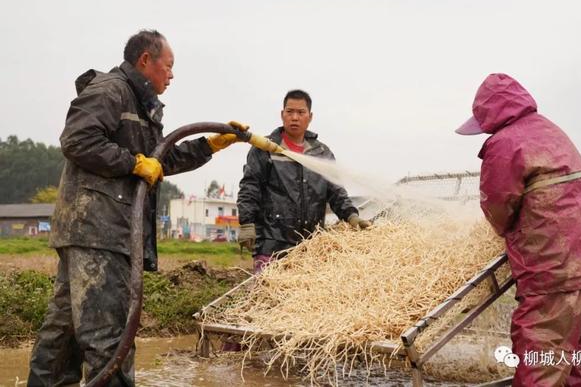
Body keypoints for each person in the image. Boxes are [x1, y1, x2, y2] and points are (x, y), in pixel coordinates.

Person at [28, 29, 247, 386]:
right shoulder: (110, 90)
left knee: (63, 334)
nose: (172, 75)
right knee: (110, 337)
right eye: (169, 66)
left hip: (93, 231)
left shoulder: (138, 105)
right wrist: (131, 163)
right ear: (146, 60)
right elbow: (77, 140)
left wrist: (211, 145)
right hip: (100, 230)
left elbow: (160, 159)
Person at [456, 73, 581, 386]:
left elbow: (498, 206)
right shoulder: (549, 129)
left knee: (542, 356)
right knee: (578, 355)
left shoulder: (503, 143)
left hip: (557, 264)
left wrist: (502, 231)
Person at [237, 89, 370, 273]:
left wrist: (352, 216)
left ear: (310, 117)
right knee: (269, 298)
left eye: (301, 113)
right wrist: (246, 224)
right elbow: (249, 188)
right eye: (290, 112)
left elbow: (336, 192)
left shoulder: (321, 153)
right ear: (282, 114)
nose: (295, 117)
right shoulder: (264, 149)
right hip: (271, 246)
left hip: (311, 248)